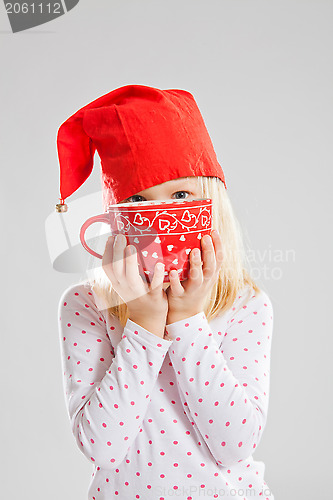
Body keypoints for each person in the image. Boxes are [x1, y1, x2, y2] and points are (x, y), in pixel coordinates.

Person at [56, 85, 274, 500]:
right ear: (117, 214)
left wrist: (187, 319)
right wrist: (143, 323)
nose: (161, 217)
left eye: (179, 196)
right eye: (138, 199)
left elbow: (235, 445)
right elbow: (101, 447)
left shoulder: (244, 303)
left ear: (209, 204)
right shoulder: (84, 305)